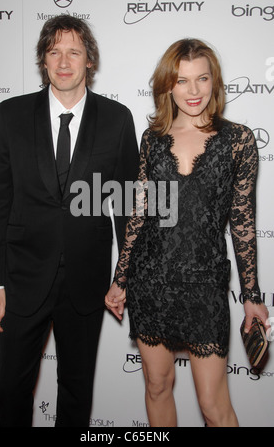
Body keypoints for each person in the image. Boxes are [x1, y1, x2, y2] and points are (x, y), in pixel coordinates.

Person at [0, 14, 139, 427]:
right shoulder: (10, 114)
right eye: (54, 52)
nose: (63, 61)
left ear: (90, 61)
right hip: (20, 277)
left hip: (86, 281)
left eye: (74, 52)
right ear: (44, 60)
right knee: (12, 385)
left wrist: (123, 278)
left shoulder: (118, 119)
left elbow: (125, 206)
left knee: (76, 388)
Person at [105, 38, 269, 427]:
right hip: (151, 281)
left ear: (215, 83)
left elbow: (242, 222)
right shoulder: (153, 140)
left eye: (202, 79)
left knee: (214, 406)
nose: (193, 91)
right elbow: (139, 215)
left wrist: (251, 296)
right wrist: (120, 278)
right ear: (168, 85)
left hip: (203, 285)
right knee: (157, 386)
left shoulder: (239, 141)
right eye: (181, 81)